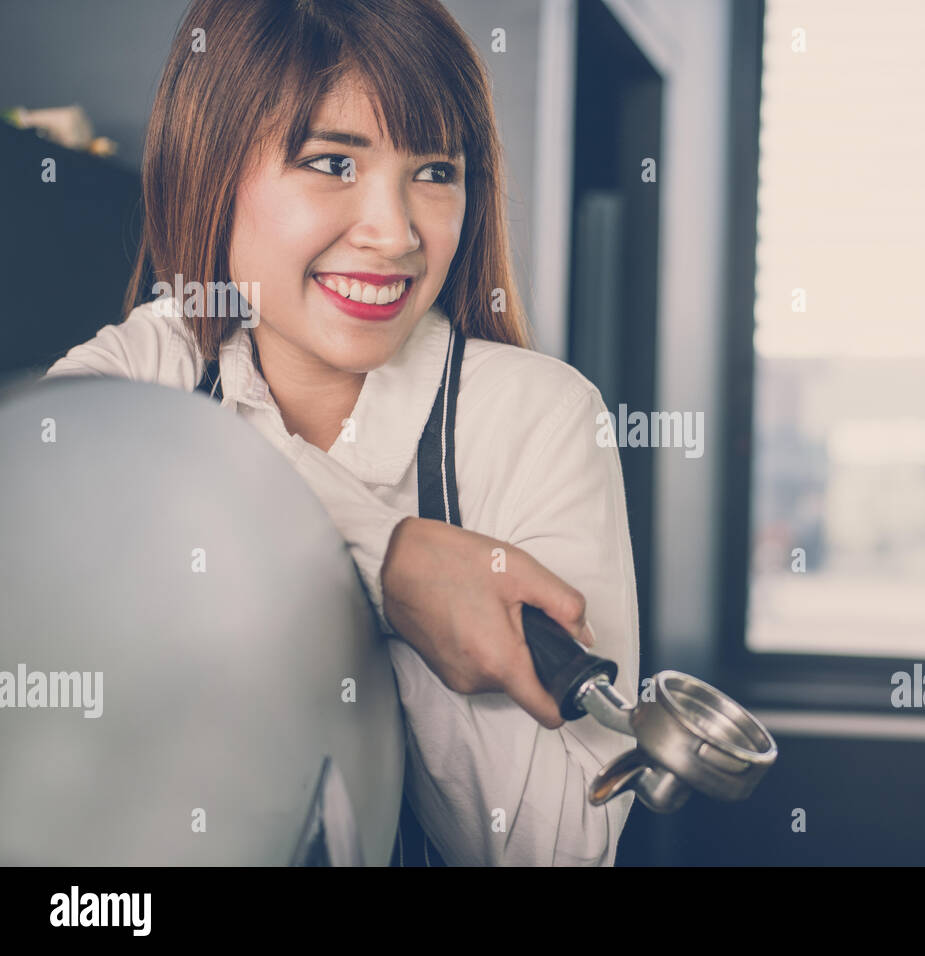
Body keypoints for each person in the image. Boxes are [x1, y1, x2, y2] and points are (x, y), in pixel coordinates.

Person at [43, 0, 639, 867]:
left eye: (436, 172)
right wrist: (391, 563)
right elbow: (38, 474)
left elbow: (556, 845)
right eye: (331, 162)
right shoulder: (163, 359)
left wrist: (387, 622)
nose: (396, 234)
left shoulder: (538, 416)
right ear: (211, 170)